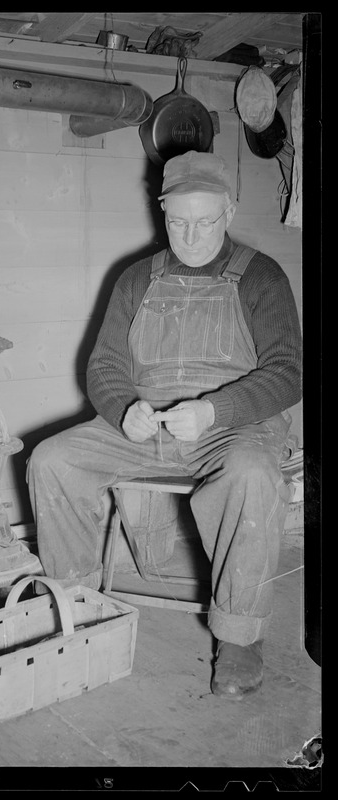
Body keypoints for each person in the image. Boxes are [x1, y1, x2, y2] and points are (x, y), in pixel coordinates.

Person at [26, 150, 302, 699]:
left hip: (232, 427)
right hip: (147, 424)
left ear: (228, 212)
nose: (192, 236)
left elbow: (289, 372)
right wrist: (123, 408)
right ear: (162, 213)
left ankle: (240, 637)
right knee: (52, 460)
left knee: (249, 474)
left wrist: (213, 412)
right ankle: (75, 605)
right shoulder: (137, 278)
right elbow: (104, 365)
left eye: (205, 222)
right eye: (179, 222)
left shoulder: (260, 275)